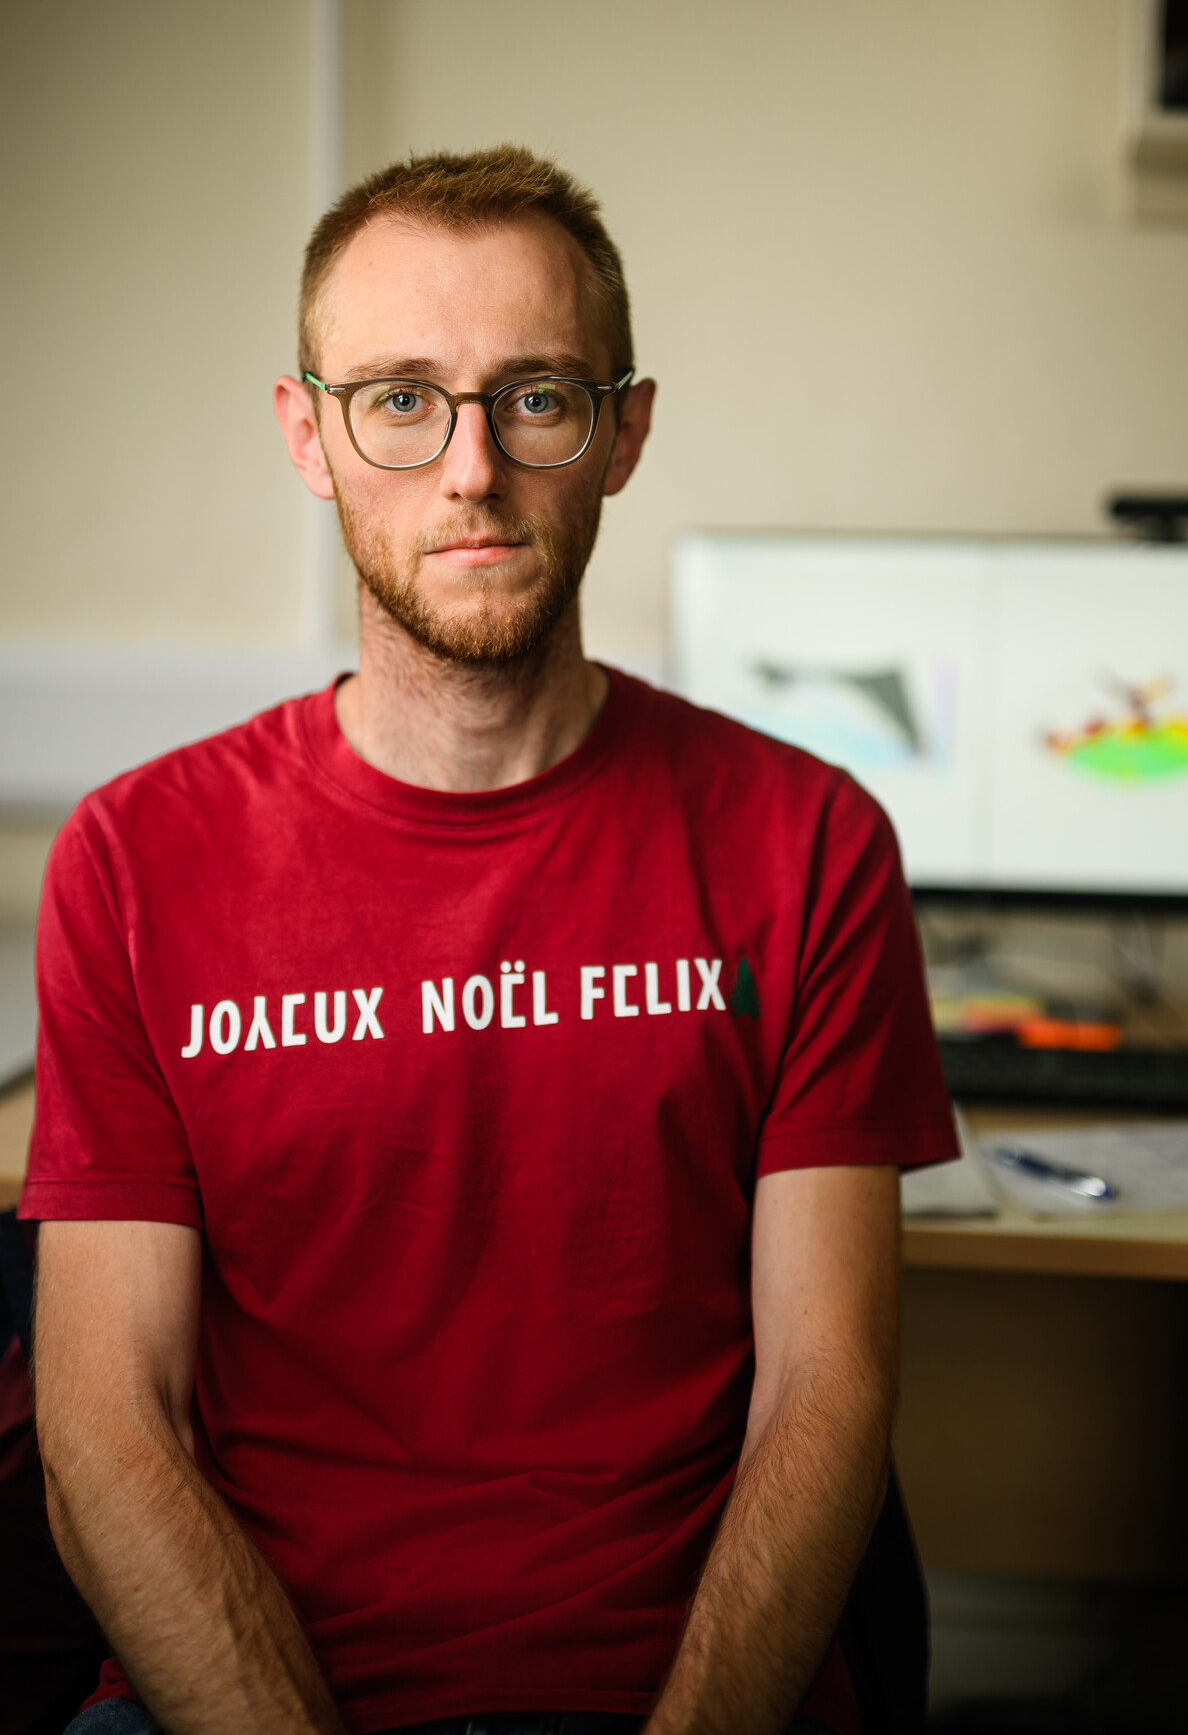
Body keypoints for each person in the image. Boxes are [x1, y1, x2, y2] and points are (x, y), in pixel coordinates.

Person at [22, 147, 958, 1735]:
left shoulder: (807, 847)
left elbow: (827, 1397)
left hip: (672, 1688)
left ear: (623, 434)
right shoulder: (133, 861)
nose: (469, 469)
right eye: (398, 399)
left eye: (534, 398)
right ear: (307, 434)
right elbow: (106, 1432)